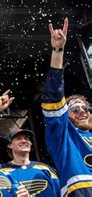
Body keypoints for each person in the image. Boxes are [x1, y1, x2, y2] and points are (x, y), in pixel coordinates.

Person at [41, 17, 92, 196]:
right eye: (75, 109)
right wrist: (58, 50)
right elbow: (53, 94)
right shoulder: (64, 137)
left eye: (85, 108)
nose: (82, 112)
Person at [0, 129, 60, 196]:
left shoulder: (46, 169)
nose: (24, 141)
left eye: (26, 138)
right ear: (10, 145)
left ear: (30, 143)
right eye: (19, 138)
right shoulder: (0, 171)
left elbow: (60, 193)